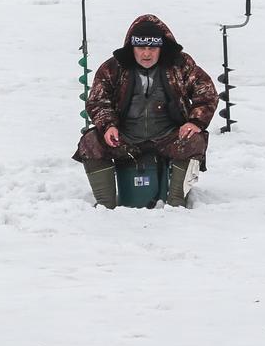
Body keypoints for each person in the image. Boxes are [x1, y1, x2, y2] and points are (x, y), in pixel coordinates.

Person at [72, 14, 219, 208]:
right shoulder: (113, 67)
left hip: (168, 136)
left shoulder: (180, 65)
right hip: (125, 138)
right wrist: (108, 126)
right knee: (90, 142)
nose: (146, 54)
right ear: (132, 48)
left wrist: (195, 122)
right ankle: (105, 206)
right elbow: (98, 101)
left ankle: (176, 202)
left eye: (152, 48)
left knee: (195, 141)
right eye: (141, 48)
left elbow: (206, 92)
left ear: (161, 48)